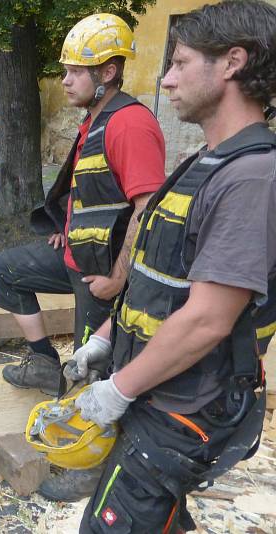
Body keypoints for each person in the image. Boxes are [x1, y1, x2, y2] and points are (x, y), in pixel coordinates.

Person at [65, 2, 276, 531]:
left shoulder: (251, 178)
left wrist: (118, 389)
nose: (166, 79)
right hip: (161, 387)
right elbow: (159, 281)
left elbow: (207, 318)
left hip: (188, 404)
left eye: (180, 62)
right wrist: (107, 339)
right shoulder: (205, 162)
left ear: (231, 62)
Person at [0, 13, 166, 500]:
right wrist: (66, 231)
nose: (64, 79)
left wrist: (117, 279)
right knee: (6, 269)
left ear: (107, 72)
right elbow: (93, 194)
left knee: (95, 368)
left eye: (74, 70)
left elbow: (146, 212)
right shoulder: (95, 120)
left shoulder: (130, 123)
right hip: (75, 260)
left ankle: (95, 465)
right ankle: (43, 363)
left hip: (104, 277)